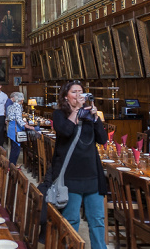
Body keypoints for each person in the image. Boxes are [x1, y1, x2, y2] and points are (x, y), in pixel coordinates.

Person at [38, 81, 107, 249]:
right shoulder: (59, 114)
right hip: (71, 176)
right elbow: (66, 131)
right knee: (71, 219)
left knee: (97, 221)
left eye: (81, 92)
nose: (78, 95)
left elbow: (102, 139)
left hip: (92, 175)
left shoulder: (90, 115)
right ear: (66, 96)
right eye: (74, 92)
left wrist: (96, 118)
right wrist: (76, 111)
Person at [6, 92, 35, 165]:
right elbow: (18, 119)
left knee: (14, 147)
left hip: (11, 128)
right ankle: (12, 165)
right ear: (20, 100)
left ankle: (11, 164)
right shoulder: (17, 106)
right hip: (16, 129)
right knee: (16, 149)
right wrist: (27, 126)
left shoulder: (10, 106)